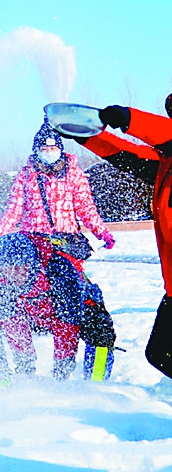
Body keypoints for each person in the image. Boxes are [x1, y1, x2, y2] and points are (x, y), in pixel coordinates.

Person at [72, 98, 172, 376]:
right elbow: (128, 155)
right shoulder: (165, 162)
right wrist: (87, 137)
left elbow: (163, 132)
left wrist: (129, 119)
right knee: (159, 354)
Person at [0, 121, 114, 253]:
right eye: (44, 149)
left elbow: (85, 208)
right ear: (36, 151)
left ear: (60, 149)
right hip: (34, 240)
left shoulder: (73, 173)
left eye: (53, 148)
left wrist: (102, 232)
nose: (49, 152)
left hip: (66, 240)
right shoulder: (26, 175)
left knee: (69, 272)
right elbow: (14, 209)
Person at [0, 233, 80, 383]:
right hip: (29, 316)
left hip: (62, 314)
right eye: (7, 268)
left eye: (19, 268)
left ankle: (95, 383)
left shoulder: (58, 269)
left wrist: (62, 370)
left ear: (32, 264)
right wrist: (25, 365)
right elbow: (10, 317)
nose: (13, 275)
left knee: (100, 326)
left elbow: (68, 322)